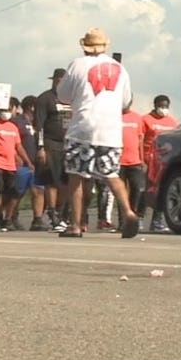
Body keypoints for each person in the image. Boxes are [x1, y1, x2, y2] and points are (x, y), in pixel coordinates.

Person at [56, 28, 139, 239]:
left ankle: (75, 225)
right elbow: (126, 102)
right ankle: (128, 211)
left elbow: (63, 95)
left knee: (76, 175)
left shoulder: (77, 64)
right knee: (111, 174)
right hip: (111, 128)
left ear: (85, 47)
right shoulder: (120, 68)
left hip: (83, 126)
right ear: (104, 47)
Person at [35, 68, 71, 232]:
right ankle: (52, 213)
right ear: (54, 80)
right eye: (58, 81)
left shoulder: (71, 98)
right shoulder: (45, 99)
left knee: (66, 181)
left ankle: (60, 211)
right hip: (51, 143)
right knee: (52, 180)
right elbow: (39, 126)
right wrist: (41, 147)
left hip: (69, 144)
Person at [142, 95, 179, 233]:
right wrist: (142, 159)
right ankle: (139, 218)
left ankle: (157, 221)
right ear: (155, 105)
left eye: (166, 106)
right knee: (143, 191)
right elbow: (140, 139)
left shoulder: (172, 122)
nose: (163, 109)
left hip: (163, 164)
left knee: (160, 192)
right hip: (147, 161)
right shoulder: (145, 119)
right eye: (161, 106)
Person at [12, 95, 39, 231]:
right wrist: (16, 156)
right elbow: (12, 142)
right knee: (18, 192)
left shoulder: (37, 122)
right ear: (31, 107)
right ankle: (12, 217)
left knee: (37, 191)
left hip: (36, 163)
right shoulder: (17, 121)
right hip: (22, 163)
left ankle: (37, 219)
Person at [120, 107, 147, 232]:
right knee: (121, 192)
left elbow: (141, 139)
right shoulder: (114, 115)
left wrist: (142, 159)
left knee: (137, 189)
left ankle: (133, 218)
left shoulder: (137, 117)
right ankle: (122, 221)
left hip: (134, 161)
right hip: (118, 161)